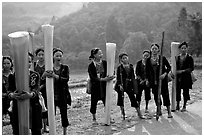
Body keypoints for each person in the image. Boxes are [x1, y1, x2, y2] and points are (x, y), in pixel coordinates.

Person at [8, 53, 42, 135]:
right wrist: (13, 95)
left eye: (29, 61)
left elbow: (36, 89)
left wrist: (30, 95)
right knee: (17, 130)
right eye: (24, 61)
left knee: (36, 130)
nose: (27, 63)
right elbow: (9, 91)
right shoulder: (13, 76)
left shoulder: (35, 75)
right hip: (18, 106)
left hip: (34, 105)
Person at [42, 48, 71, 135]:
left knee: (64, 113)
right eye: (57, 55)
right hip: (51, 94)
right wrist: (44, 75)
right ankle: (51, 131)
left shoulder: (65, 68)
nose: (58, 57)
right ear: (53, 57)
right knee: (51, 114)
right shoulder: (47, 67)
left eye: (60, 56)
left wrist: (55, 76)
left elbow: (66, 79)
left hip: (62, 94)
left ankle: (65, 133)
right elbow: (42, 80)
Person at [115, 53, 145, 120]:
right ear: (121, 60)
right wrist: (120, 85)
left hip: (129, 84)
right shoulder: (119, 68)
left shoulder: (131, 66)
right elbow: (118, 77)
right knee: (121, 100)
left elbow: (133, 76)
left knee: (133, 98)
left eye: (126, 57)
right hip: (121, 85)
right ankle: (123, 114)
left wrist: (134, 85)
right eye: (123, 58)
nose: (125, 59)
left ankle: (139, 113)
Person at [88, 48, 115, 123]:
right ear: (94, 55)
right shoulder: (91, 66)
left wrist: (112, 75)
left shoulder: (105, 63)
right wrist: (103, 79)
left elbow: (111, 70)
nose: (101, 55)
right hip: (95, 87)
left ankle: (109, 117)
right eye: (99, 54)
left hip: (104, 86)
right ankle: (94, 118)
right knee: (94, 103)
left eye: (101, 53)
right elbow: (93, 77)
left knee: (106, 102)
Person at [146, 44, 173, 118]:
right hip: (153, 81)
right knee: (156, 96)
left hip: (162, 80)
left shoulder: (162, 58)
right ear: (151, 50)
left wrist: (164, 74)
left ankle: (169, 112)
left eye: (156, 49)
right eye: (153, 49)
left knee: (165, 95)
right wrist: (147, 80)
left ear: (158, 50)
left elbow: (169, 67)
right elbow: (147, 71)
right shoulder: (148, 60)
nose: (154, 50)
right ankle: (159, 110)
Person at [34, 48, 49, 133]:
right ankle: (38, 126)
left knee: (44, 108)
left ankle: (45, 126)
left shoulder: (48, 65)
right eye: (39, 55)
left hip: (45, 89)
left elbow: (48, 78)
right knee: (36, 108)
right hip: (35, 89)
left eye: (42, 54)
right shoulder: (34, 65)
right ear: (37, 56)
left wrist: (41, 86)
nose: (41, 56)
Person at [176, 42, 194, 112]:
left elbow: (191, 68)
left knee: (185, 91)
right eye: (182, 48)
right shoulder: (177, 57)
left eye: (185, 48)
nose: (183, 49)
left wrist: (183, 71)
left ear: (187, 49)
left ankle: (184, 105)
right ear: (180, 49)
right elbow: (174, 67)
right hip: (178, 77)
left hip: (186, 77)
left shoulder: (189, 57)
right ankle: (177, 105)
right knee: (178, 91)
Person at [2, 56, 13, 124]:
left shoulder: (14, 74)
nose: (6, 65)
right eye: (4, 63)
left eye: (8, 63)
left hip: (11, 95)